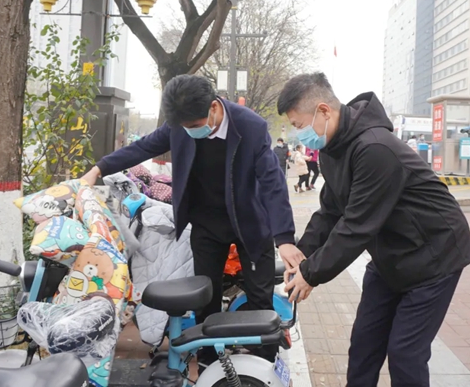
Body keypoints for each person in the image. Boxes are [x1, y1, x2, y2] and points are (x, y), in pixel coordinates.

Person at [81, 75, 305, 368]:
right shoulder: (179, 126)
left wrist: (285, 238)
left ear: (214, 108)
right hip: (206, 224)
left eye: (195, 127)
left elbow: (273, 183)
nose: (189, 132)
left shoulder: (251, 127)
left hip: (251, 223)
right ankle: (210, 362)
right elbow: (143, 148)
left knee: (260, 299)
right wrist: (98, 169)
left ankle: (263, 366)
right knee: (205, 300)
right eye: (184, 128)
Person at [276, 72, 470, 387]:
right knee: (364, 345)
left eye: (299, 125)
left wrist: (312, 273)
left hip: (433, 256)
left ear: (324, 111)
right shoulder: (333, 149)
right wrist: (302, 256)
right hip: (391, 258)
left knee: (405, 353)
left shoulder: (375, 148)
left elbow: (356, 225)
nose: (298, 134)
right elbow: (331, 210)